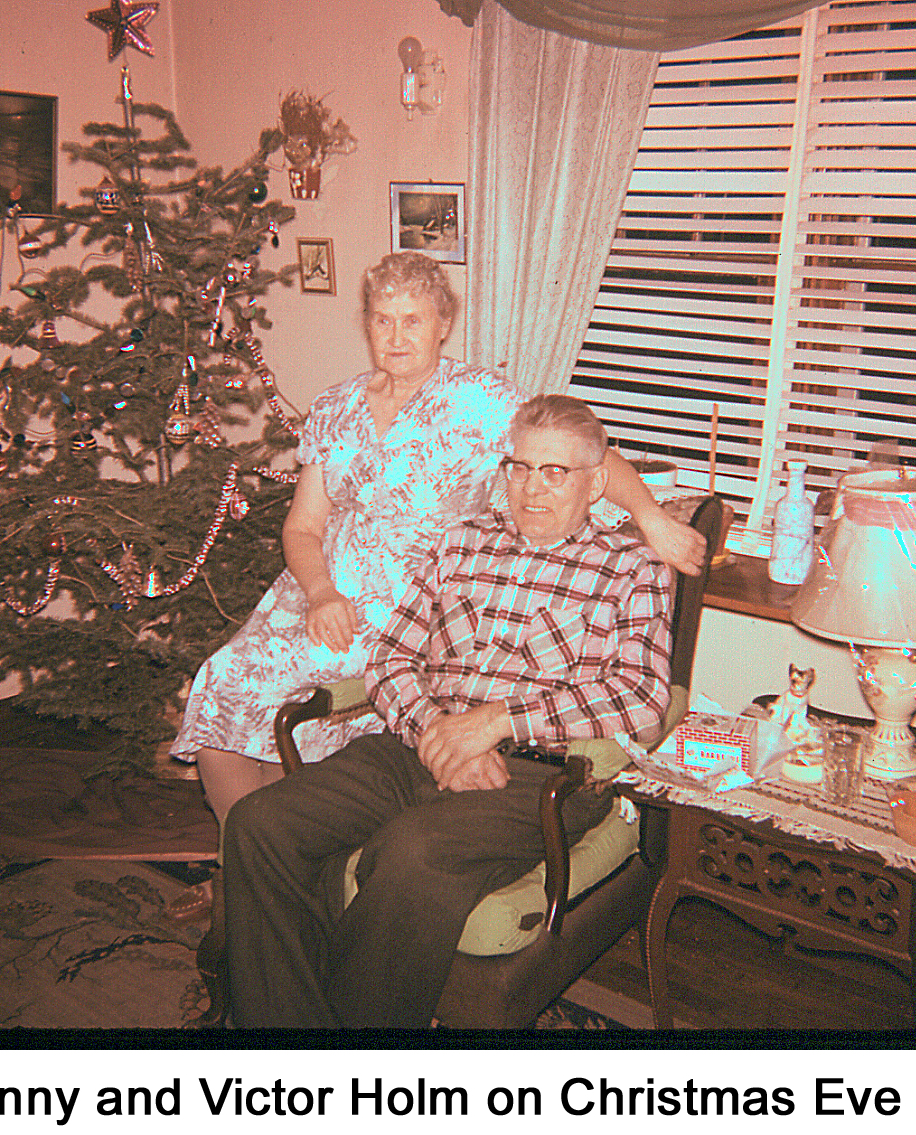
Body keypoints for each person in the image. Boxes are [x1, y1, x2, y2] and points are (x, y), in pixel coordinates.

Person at [167, 251, 700, 923]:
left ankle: (265, 885)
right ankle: (250, 870)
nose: (395, 335)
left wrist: (649, 515)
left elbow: (581, 451)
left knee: (303, 715)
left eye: (412, 319)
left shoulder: (481, 400)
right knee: (223, 682)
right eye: (382, 319)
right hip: (322, 590)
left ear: (442, 323)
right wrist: (322, 591)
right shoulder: (333, 407)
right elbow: (302, 524)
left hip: (415, 603)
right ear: (365, 323)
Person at [222, 394, 672, 1027]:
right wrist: (434, 732)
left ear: (596, 482)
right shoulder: (460, 543)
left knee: (415, 851)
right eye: (518, 467)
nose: (531, 488)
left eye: (555, 472)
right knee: (260, 820)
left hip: (540, 774)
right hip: (416, 743)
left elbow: (642, 694)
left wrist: (497, 723)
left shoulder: (631, 569)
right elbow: (390, 657)